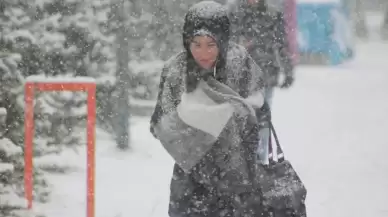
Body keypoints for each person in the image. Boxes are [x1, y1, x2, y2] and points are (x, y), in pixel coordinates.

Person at [150, 1, 270, 216]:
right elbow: (159, 123)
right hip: (190, 182)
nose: (203, 53)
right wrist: (193, 131)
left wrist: (232, 124)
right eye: (196, 44)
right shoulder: (175, 72)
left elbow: (259, 112)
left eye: (211, 44)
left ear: (223, 41)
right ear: (187, 41)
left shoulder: (239, 63)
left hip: (238, 182)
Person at [227, 0, 294, 164]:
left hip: (265, 75)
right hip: (239, 76)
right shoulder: (234, 12)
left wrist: (288, 70)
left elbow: (281, 44)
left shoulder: (272, 14)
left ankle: (259, 160)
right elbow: (224, 42)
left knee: (262, 119)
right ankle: (242, 158)